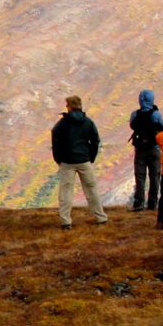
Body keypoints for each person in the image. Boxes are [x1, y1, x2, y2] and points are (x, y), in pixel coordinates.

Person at [50, 94, 108, 227]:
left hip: (67, 162)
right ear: (80, 106)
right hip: (84, 160)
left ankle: (66, 221)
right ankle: (101, 217)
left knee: (66, 192)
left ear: (69, 106)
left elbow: (56, 141)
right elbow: (95, 140)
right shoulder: (88, 122)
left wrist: (58, 159)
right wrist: (91, 156)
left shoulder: (62, 124)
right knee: (91, 189)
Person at [127, 89, 163, 213]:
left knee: (140, 176)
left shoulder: (135, 114)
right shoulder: (156, 114)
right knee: (155, 176)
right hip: (154, 148)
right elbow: (162, 127)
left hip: (139, 149)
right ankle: (153, 203)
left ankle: (138, 202)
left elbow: (132, 126)